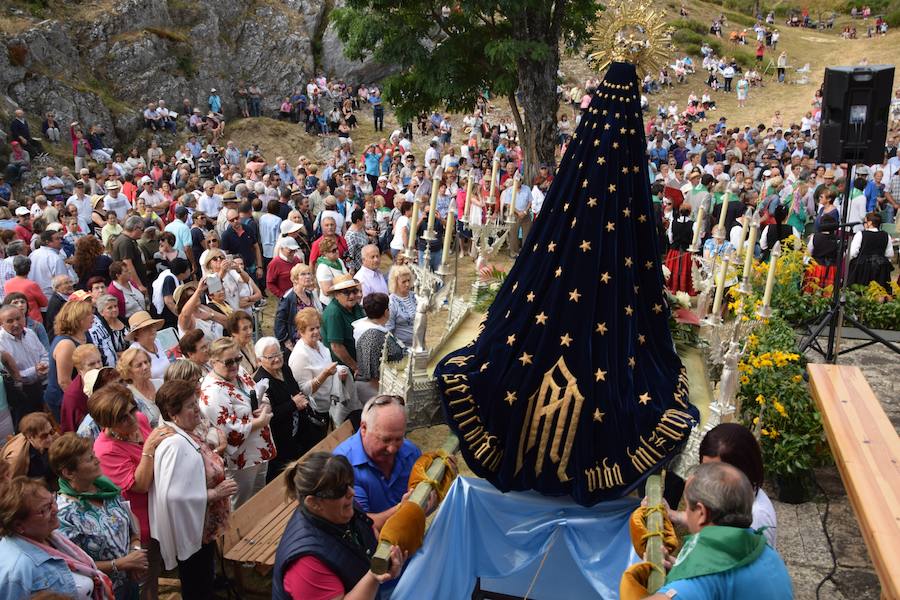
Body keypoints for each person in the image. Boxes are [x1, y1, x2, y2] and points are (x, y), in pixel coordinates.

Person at [272, 452, 406, 600]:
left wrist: (402, 509)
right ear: (314, 503)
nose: (351, 492)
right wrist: (375, 575)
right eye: (340, 490)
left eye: (350, 483)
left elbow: (368, 526)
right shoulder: (306, 564)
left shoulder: (338, 510)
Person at [649, 463, 792, 599]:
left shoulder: (700, 580)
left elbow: (703, 582)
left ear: (701, 513)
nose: (685, 512)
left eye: (686, 506)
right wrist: (680, 567)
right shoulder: (769, 554)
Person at [150, 380, 237, 600]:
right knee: (196, 585)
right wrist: (214, 494)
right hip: (192, 531)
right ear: (173, 413)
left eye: (195, 402)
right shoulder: (174, 444)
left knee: (203, 580)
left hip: (202, 528)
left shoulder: (184, 434)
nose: (197, 409)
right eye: (190, 405)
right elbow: (172, 495)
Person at [92, 383, 172, 599]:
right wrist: (148, 449)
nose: (132, 419)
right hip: (140, 524)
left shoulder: (141, 420)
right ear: (106, 423)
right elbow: (141, 485)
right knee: (143, 582)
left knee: (155, 570)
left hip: (161, 510)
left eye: (132, 409)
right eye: (123, 417)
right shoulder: (106, 450)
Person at [49, 433, 147, 599]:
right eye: (89, 459)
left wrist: (134, 553)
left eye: (94, 455)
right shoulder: (64, 514)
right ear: (69, 472)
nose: (97, 461)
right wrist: (120, 564)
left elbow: (131, 522)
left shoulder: (106, 489)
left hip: (130, 582)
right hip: (103, 591)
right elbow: (73, 565)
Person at [0, 477, 114, 598]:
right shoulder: (17, 570)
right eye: (45, 509)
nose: (56, 509)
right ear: (19, 525)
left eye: (53, 500)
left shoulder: (51, 537)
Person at [667, 423, 777, 548]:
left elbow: (741, 566)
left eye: (714, 472)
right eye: (704, 468)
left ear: (741, 471)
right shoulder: (732, 499)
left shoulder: (756, 518)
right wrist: (673, 515)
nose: (704, 478)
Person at [200, 338, 275, 508]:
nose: (235, 364)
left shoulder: (239, 371)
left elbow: (257, 392)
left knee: (259, 500)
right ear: (213, 362)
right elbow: (228, 430)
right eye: (228, 362)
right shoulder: (212, 392)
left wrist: (265, 404)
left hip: (258, 449)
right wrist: (260, 421)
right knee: (242, 505)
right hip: (241, 459)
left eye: (237, 359)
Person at [333, 395, 422, 529]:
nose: (392, 449)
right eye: (385, 440)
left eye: (398, 439)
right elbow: (360, 526)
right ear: (364, 428)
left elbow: (425, 505)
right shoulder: (343, 466)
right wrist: (404, 509)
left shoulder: (411, 452)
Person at [254, 337, 325, 482]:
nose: (276, 359)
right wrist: (292, 404)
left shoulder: (285, 369)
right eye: (271, 357)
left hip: (299, 433)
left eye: (278, 354)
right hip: (280, 442)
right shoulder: (261, 382)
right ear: (260, 361)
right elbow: (269, 416)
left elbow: (296, 392)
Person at [289, 307, 360, 428]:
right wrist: (325, 374)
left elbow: (327, 367)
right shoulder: (300, 355)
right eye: (311, 329)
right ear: (301, 332)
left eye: (317, 327)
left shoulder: (318, 344)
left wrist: (338, 373)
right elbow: (304, 391)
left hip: (331, 403)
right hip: (318, 411)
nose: (316, 331)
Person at [0, 304, 49, 424]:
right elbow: (11, 376)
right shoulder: (1, 343)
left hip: (38, 387)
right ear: (1, 323)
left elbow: (44, 354)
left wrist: (44, 365)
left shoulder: (30, 333)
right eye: (10, 321)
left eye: (18, 318)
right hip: (19, 394)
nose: (16, 324)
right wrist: (34, 370)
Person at [45, 300, 94, 421]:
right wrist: (84, 404)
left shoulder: (85, 334)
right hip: (64, 399)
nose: (93, 316)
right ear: (77, 318)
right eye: (89, 314)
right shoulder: (66, 344)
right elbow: (64, 382)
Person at [353, 293, 405, 391]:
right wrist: (383, 395)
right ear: (386, 312)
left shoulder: (374, 329)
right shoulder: (373, 335)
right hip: (375, 389)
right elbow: (372, 372)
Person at [275, 263, 322, 351]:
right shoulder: (288, 298)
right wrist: (286, 342)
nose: (307, 276)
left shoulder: (309, 294)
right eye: (303, 274)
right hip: (297, 343)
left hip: (313, 338)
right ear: (295, 279)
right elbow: (279, 322)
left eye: (309, 273)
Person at [1, 412, 58, 486]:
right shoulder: (17, 458)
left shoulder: (53, 437)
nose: (50, 438)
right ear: (30, 437)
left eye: (51, 431)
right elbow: (13, 485)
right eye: (44, 436)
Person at [59, 344, 103, 433]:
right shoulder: (73, 396)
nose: (98, 366)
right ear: (79, 370)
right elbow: (70, 429)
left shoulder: (105, 379)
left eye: (99, 361)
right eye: (91, 364)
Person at [847, 211, 894, 287]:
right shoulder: (886, 235)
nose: (864, 224)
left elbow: (852, 253)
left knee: (860, 289)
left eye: (865, 222)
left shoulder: (861, 234)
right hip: (880, 267)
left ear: (870, 223)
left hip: (862, 267)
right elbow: (889, 254)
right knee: (879, 291)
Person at [118, 347, 162, 426]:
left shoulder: (160, 383)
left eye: (146, 362)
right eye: (139, 365)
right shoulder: (128, 396)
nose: (145, 367)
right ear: (128, 372)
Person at [88, 294, 129, 367]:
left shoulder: (125, 321)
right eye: (110, 308)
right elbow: (108, 352)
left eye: (115, 306)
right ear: (101, 312)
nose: (114, 309)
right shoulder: (101, 330)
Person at [150, 257, 191, 330]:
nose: (189, 270)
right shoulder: (169, 279)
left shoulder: (176, 277)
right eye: (188, 269)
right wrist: (181, 316)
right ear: (182, 272)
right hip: (167, 316)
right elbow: (168, 301)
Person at [126, 311, 169, 380]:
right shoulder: (134, 352)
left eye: (153, 325)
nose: (152, 329)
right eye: (147, 328)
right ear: (136, 334)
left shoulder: (157, 342)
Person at [5, 256, 48, 321]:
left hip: (15, 318)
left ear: (14, 268)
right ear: (29, 269)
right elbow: (44, 303)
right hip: (32, 320)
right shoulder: (32, 285)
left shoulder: (7, 284)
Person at [386, 264, 416, 347]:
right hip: (402, 348)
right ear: (395, 282)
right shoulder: (391, 303)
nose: (407, 284)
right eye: (403, 282)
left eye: (408, 280)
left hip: (418, 344)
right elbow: (389, 331)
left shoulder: (414, 296)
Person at [315, 236, 348, 306]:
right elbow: (326, 291)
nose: (337, 251)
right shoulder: (323, 267)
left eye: (337, 249)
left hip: (342, 301)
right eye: (333, 250)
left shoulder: (339, 261)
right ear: (325, 253)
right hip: (330, 304)